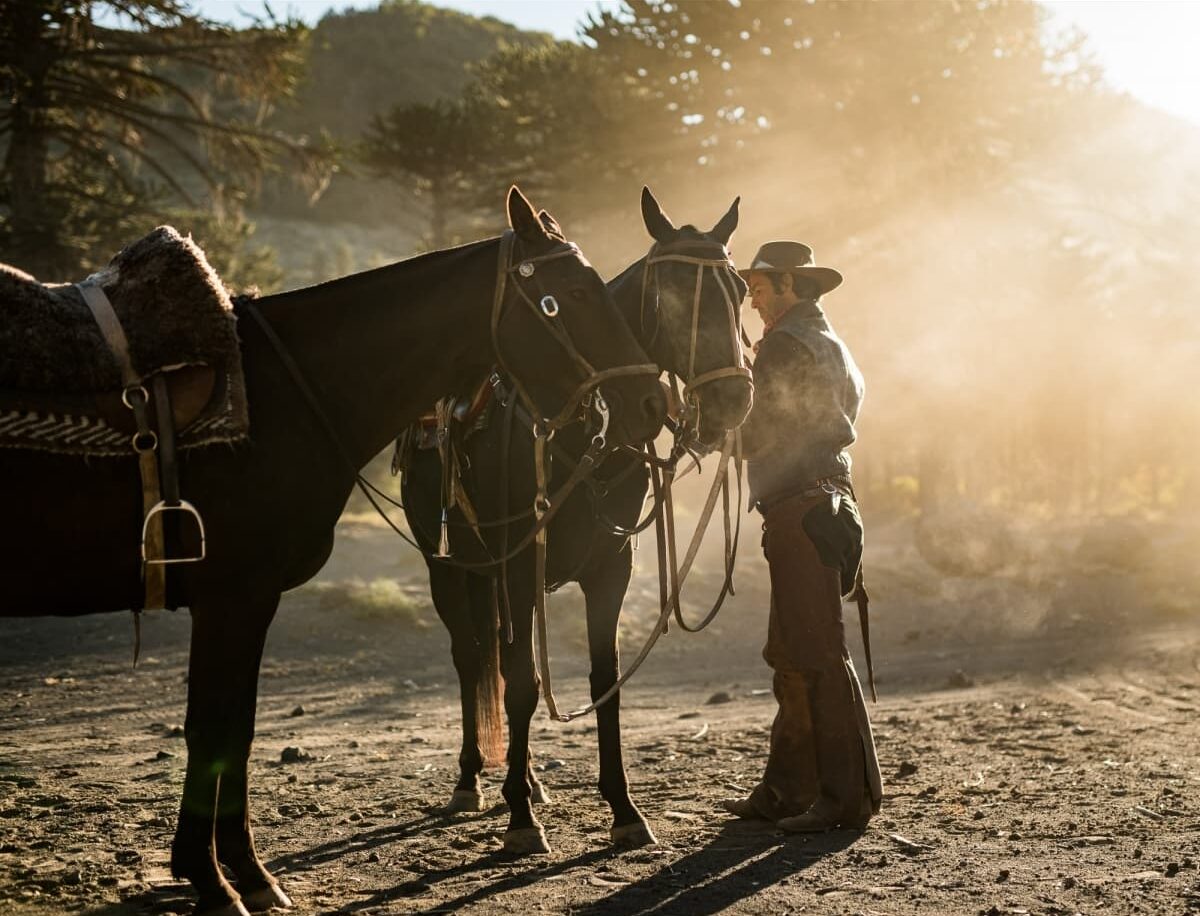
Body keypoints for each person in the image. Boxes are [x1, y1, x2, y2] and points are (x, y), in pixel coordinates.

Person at [722, 240, 882, 832]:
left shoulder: (787, 346)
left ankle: (845, 800)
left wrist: (700, 421)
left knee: (814, 652)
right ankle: (788, 790)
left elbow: (758, 426)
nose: (755, 300)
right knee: (792, 652)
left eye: (760, 289)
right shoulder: (827, 341)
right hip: (822, 506)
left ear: (789, 282)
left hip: (803, 509)